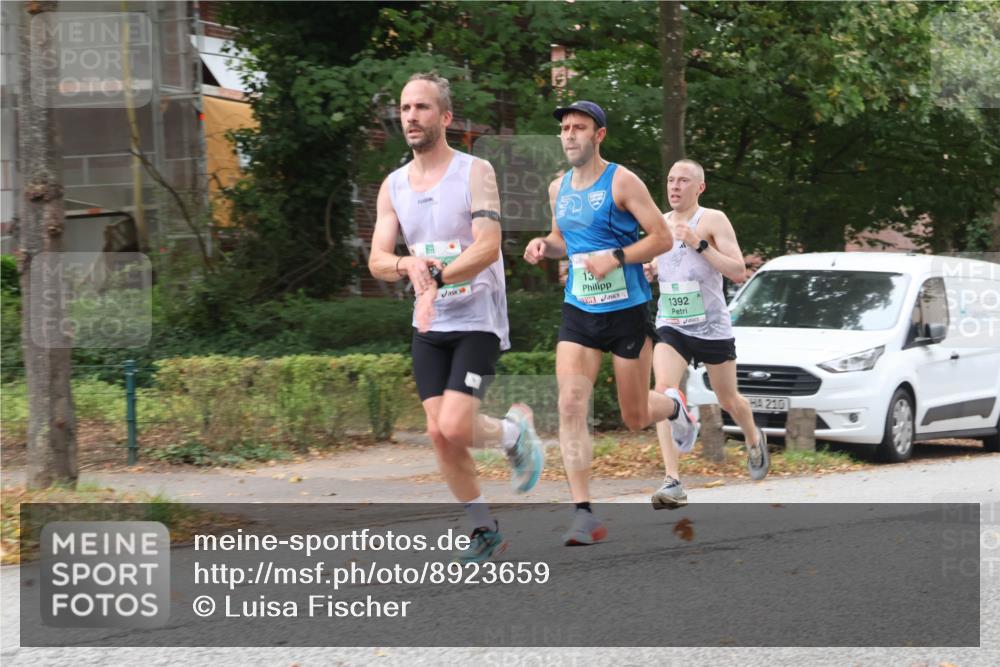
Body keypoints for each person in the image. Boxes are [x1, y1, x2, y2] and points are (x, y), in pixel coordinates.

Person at [368, 72, 543, 562]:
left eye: (422, 108)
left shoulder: (474, 171)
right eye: (405, 109)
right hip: (429, 324)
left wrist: (437, 276)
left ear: (445, 117)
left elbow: (487, 247)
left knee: (457, 423)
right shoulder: (394, 186)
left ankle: (513, 433)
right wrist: (408, 264)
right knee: (439, 433)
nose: (411, 117)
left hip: (477, 319)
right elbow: (378, 261)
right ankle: (484, 528)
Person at [522, 100, 697, 546]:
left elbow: (660, 237)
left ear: (598, 135)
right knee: (570, 405)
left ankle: (675, 407)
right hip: (579, 309)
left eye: (579, 127)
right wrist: (545, 245)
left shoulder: (621, 180)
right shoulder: (557, 187)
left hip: (626, 310)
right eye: (564, 128)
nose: (569, 135)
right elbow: (563, 240)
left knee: (635, 415)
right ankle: (584, 514)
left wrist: (616, 256)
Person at [645, 159, 770, 510]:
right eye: (670, 180)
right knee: (662, 392)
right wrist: (650, 269)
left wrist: (700, 243)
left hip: (712, 328)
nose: (674, 186)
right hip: (672, 324)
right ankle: (673, 482)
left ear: (699, 187)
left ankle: (753, 437)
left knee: (729, 400)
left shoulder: (712, 220)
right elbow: (661, 264)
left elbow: (738, 271)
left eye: (683, 180)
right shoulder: (659, 224)